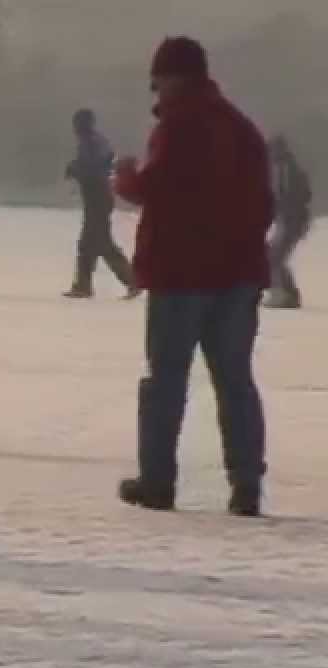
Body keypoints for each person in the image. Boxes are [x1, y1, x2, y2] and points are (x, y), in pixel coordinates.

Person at [114, 37, 274, 517]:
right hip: (238, 274)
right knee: (235, 382)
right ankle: (246, 485)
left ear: (172, 77)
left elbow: (154, 188)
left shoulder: (178, 126)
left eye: (158, 81)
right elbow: (265, 202)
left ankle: (158, 482)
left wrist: (124, 176)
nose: (155, 92)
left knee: (165, 381)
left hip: (180, 274)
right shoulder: (241, 128)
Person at [63, 109, 138, 300]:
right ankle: (83, 285)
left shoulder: (92, 143)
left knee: (102, 243)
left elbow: (93, 168)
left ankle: (132, 281)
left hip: (98, 197)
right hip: (97, 197)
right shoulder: (95, 142)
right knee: (88, 243)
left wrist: (75, 169)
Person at [265, 134, 312, 309]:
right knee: (273, 256)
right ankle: (287, 294)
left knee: (273, 257)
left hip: (291, 220)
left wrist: (283, 212)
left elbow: (285, 196)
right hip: (291, 219)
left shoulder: (285, 168)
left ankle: (285, 295)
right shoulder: (287, 167)